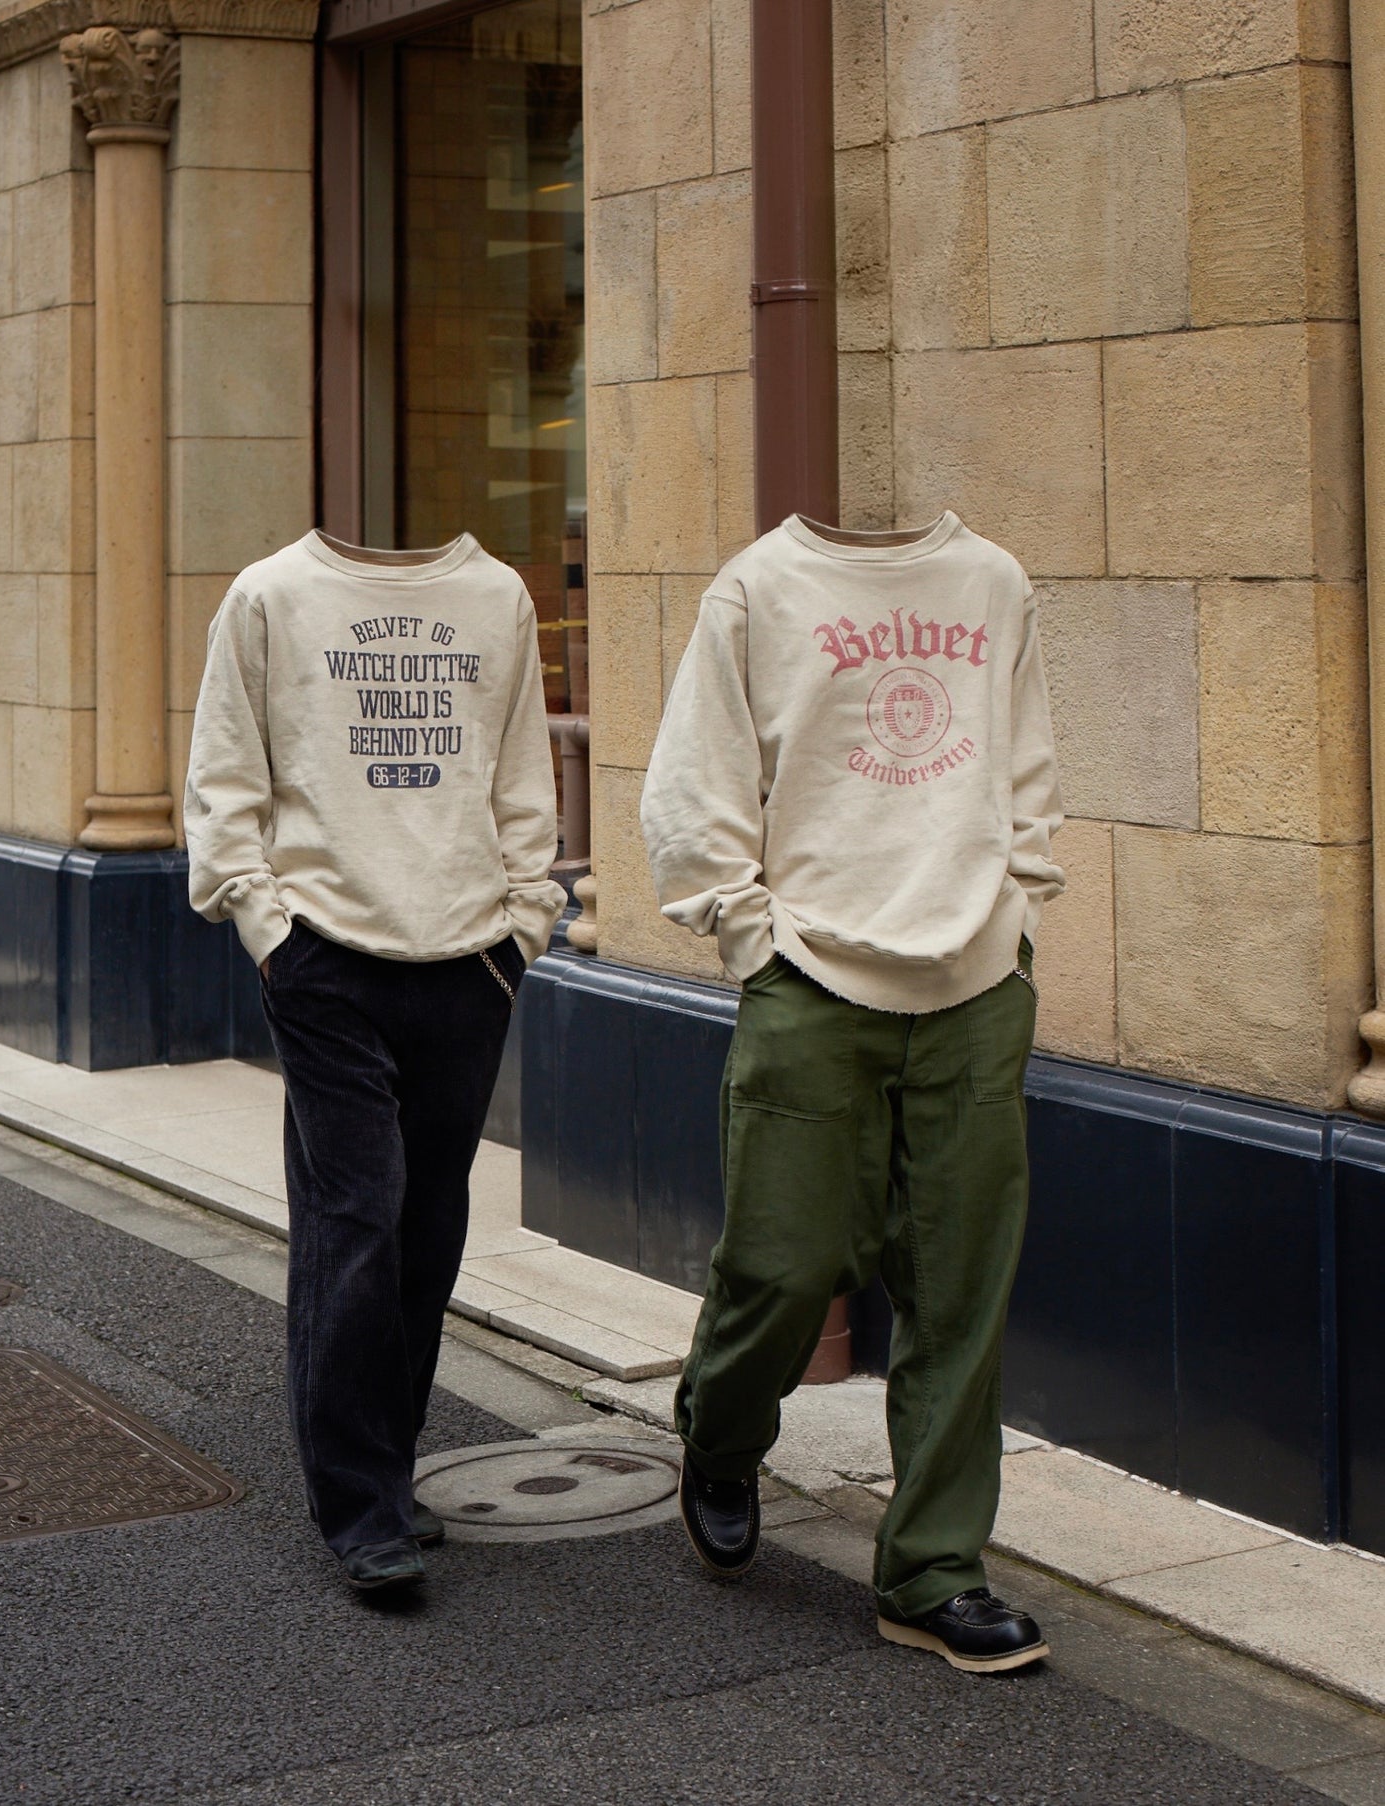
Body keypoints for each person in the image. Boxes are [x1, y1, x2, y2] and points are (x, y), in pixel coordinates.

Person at [640, 509, 1064, 1673]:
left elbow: (1024, 762)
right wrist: (747, 939)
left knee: (959, 1290)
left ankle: (933, 1572)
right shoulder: (755, 587)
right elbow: (692, 784)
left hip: (973, 979)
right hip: (810, 975)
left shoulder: (991, 577)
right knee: (783, 1264)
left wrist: (1017, 908)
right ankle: (720, 1434)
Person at [185, 529, 564, 1594]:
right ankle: (359, 1507)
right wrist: (269, 930)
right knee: (359, 1212)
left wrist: (522, 925)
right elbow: (223, 774)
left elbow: (521, 773)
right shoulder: (269, 592)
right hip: (326, 955)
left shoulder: (495, 595)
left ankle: (388, 1470)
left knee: (430, 1220)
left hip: (467, 960)